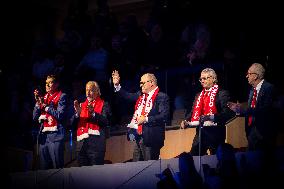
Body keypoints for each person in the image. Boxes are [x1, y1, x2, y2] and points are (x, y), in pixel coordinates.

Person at [112, 70, 170, 161]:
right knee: (137, 166)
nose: (140, 85)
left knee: (150, 168)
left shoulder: (161, 96)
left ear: (151, 83)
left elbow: (164, 116)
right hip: (138, 136)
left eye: (142, 83)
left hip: (151, 138)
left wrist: (146, 119)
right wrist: (117, 85)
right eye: (140, 83)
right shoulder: (140, 95)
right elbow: (127, 96)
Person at [180, 68, 235, 156]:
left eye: (205, 78)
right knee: (194, 156)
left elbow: (228, 114)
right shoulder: (198, 95)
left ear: (213, 79)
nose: (202, 81)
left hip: (216, 132)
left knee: (216, 159)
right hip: (201, 133)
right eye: (201, 79)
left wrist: (211, 117)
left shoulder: (222, 93)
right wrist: (186, 121)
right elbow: (192, 113)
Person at [227, 63, 277, 151]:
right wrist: (238, 107)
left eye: (249, 74)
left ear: (255, 76)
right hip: (251, 131)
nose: (247, 76)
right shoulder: (252, 90)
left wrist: (243, 109)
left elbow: (264, 110)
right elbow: (251, 108)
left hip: (263, 132)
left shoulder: (269, 88)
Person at [33, 74, 67, 169]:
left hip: (56, 136)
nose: (47, 85)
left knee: (57, 168)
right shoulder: (43, 98)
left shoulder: (62, 96)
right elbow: (34, 117)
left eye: (50, 82)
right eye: (46, 83)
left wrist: (46, 107)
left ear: (57, 84)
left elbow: (60, 115)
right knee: (44, 169)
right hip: (44, 137)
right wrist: (37, 103)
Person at [73, 81, 111, 166]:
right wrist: (78, 114)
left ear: (97, 91)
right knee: (82, 176)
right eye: (87, 90)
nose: (88, 93)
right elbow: (71, 124)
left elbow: (105, 121)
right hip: (81, 145)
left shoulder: (104, 104)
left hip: (96, 146)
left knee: (96, 175)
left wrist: (93, 113)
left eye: (91, 90)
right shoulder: (81, 105)